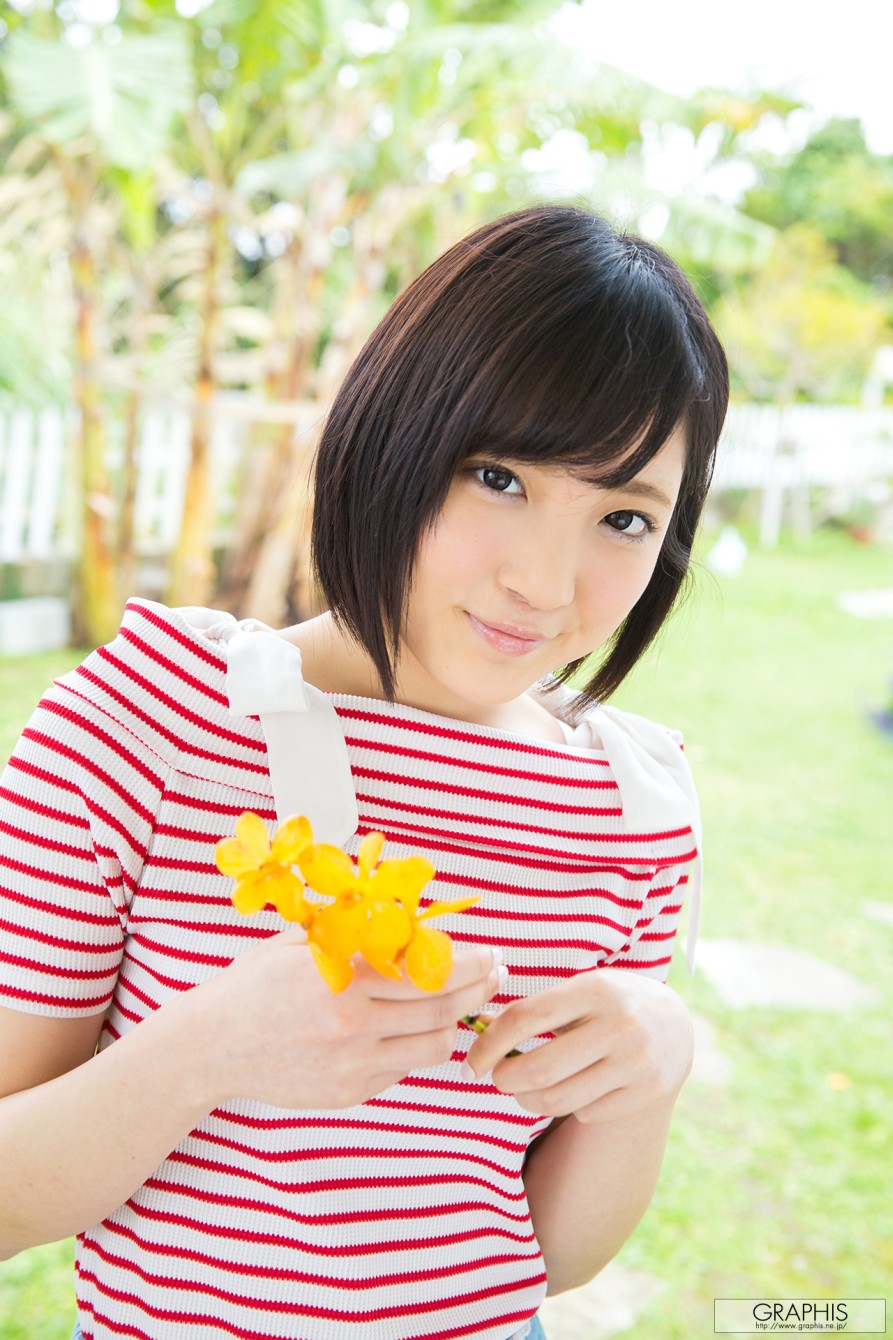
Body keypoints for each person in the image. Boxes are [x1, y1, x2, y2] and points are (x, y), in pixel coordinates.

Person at [0, 203, 728, 1340]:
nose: (543, 584)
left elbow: (546, 1257)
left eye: (624, 516)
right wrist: (207, 1050)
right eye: (498, 476)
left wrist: (652, 1071)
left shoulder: (635, 808)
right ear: (393, 432)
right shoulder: (152, 718)